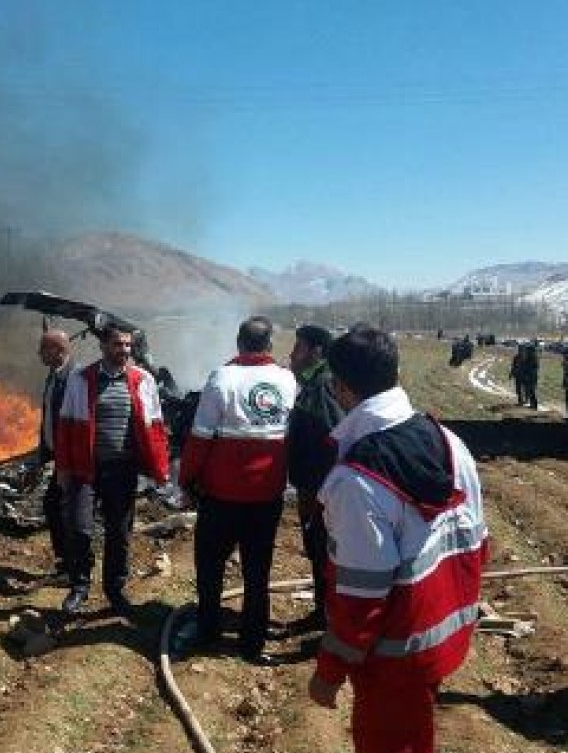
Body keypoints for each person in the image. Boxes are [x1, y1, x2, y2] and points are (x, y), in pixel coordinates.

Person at [307, 326, 488, 753]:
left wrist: (329, 672)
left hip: (394, 658)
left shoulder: (355, 480)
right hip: (444, 633)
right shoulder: (448, 439)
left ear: (339, 387)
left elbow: (361, 597)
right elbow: (479, 540)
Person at [178, 316, 297, 664]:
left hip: (222, 496)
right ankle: (252, 641)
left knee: (211, 565)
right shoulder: (287, 380)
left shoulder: (222, 377)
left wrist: (186, 480)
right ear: (270, 345)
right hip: (268, 496)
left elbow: (199, 438)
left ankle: (209, 629)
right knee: (258, 570)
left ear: (239, 343)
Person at [55, 324, 170, 615]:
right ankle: (79, 586)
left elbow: (156, 428)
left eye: (129, 345)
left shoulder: (143, 380)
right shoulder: (81, 380)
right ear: (103, 346)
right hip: (85, 469)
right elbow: (66, 426)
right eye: (118, 345)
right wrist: (63, 468)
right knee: (80, 529)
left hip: (122, 470)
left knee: (119, 534)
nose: (125, 351)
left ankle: (114, 589)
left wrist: (159, 469)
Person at [286, 324, 344, 632]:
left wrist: (321, 493)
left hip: (321, 491)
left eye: (298, 349)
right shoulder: (313, 384)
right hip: (315, 487)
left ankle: (330, 620)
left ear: (316, 352)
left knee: (323, 550)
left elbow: (334, 440)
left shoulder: (322, 387)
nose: (291, 355)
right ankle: (323, 613)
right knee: (317, 550)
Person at [35, 329, 76, 582]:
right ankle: (67, 564)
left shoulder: (74, 379)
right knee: (54, 506)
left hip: (70, 460)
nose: (39, 354)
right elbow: (48, 417)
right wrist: (44, 453)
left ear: (59, 351)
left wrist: (65, 461)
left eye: (44, 349)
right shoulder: (54, 376)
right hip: (57, 456)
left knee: (62, 509)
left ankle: (72, 568)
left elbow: (74, 423)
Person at [521, 341, 540, 410]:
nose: (526, 351)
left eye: (527, 350)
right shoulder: (530, 357)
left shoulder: (533, 358)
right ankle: (532, 404)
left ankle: (534, 405)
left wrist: (528, 375)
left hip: (532, 377)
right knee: (530, 391)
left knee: (532, 391)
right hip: (530, 376)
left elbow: (534, 368)